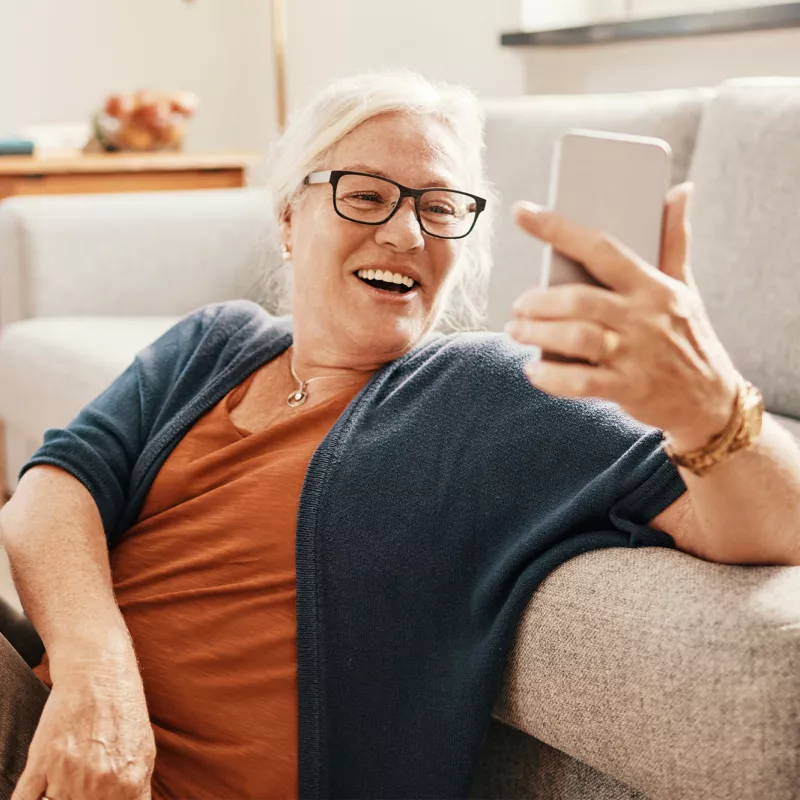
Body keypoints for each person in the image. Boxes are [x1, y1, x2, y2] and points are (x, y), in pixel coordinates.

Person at [1, 68, 799, 800]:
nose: (407, 233)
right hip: (49, 724)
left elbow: (774, 521)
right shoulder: (214, 342)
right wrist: (95, 676)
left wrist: (707, 399)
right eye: (367, 194)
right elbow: (52, 486)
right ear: (288, 218)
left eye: (439, 207)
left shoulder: (489, 392)